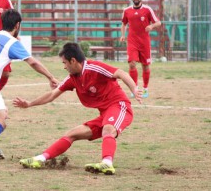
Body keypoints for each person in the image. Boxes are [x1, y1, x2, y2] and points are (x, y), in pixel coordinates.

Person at [14, 42, 143, 175]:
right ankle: (40, 159)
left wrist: (134, 89)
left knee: (108, 129)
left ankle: (107, 163)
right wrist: (29, 104)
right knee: (72, 134)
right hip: (104, 114)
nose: (64, 67)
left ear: (73, 61)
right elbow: (52, 95)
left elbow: (120, 73)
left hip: (119, 106)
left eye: (64, 63)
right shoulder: (72, 78)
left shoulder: (94, 68)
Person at [0, 9, 59, 164]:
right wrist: (51, 77)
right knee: (0, 121)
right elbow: (33, 62)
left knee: (1, 113)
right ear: (17, 25)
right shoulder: (11, 42)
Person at [120, 0, 162, 98]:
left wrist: (151, 26)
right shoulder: (126, 11)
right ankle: (135, 88)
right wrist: (123, 35)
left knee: (145, 66)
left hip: (144, 43)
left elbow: (159, 22)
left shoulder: (147, 10)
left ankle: (145, 89)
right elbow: (124, 24)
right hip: (132, 41)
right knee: (132, 64)